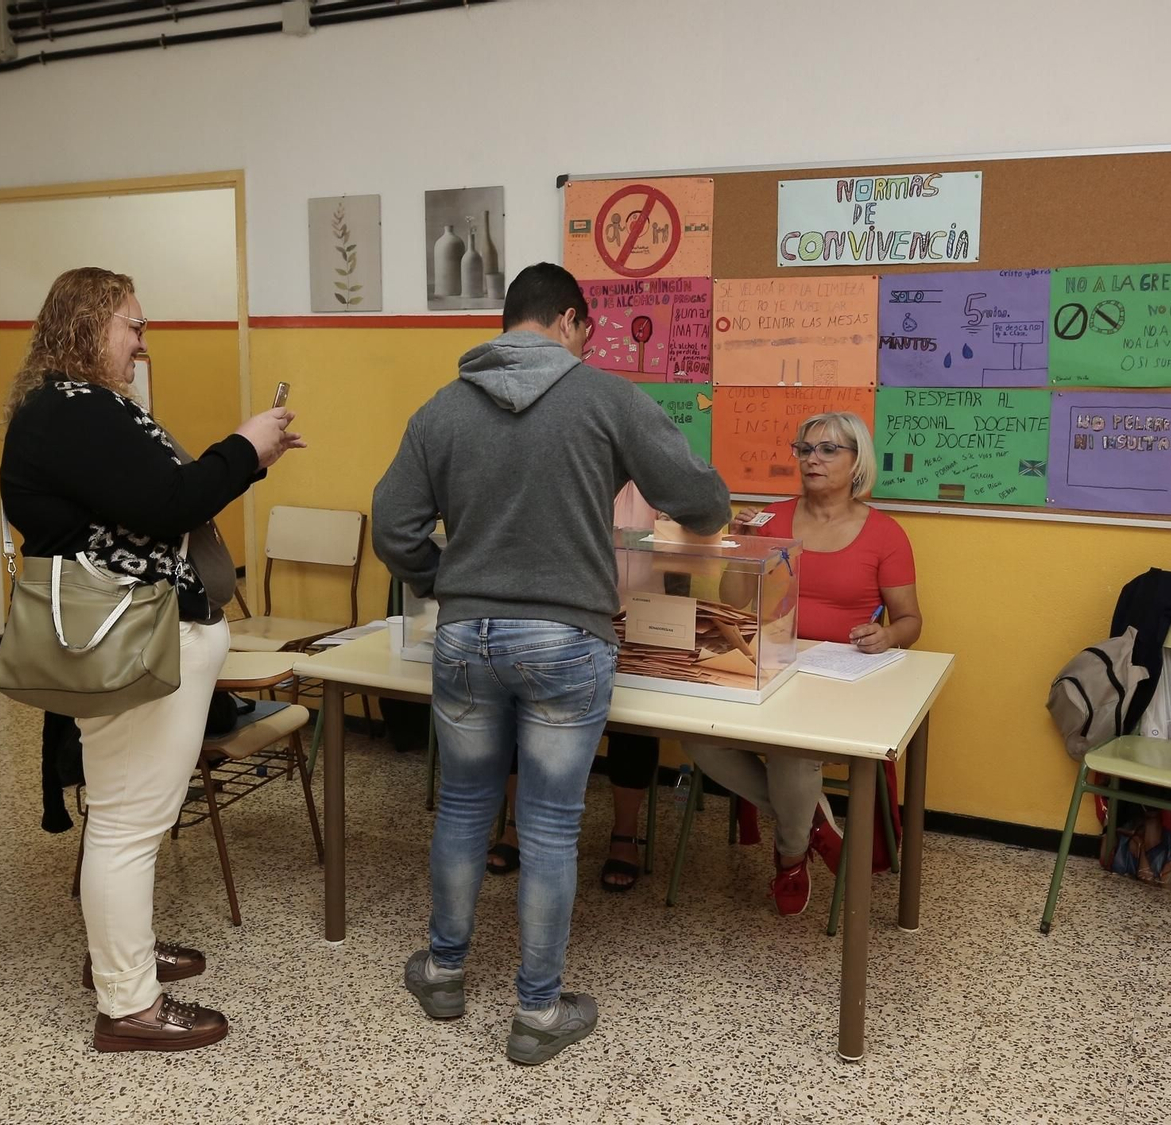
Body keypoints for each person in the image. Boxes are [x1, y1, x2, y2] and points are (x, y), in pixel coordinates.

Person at [374, 262, 729, 1066]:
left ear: (508, 322)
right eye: (585, 330)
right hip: (566, 640)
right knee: (550, 825)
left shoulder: (442, 408)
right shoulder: (607, 398)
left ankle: (442, 970)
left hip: (465, 638)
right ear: (571, 321)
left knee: (465, 807)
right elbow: (702, 503)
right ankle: (537, 1013)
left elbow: (392, 529)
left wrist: (448, 583)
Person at [0, 267, 301, 1053]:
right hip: (131, 638)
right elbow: (170, 503)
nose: (142, 339)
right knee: (132, 823)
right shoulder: (68, 411)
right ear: (87, 324)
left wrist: (245, 455)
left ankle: (119, 958)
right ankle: (128, 1003)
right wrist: (246, 447)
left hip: (140, 634)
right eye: (132, 324)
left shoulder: (78, 407)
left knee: (122, 811)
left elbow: (155, 496)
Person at [688, 411, 924, 916]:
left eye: (827, 450)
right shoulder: (769, 518)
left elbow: (910, 622)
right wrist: (740, 548)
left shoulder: (885, 534)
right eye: (805, 448)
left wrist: (885, 636)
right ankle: (814, 821)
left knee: (794, 749)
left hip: (840, 678)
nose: (811, 459)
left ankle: (791, 855)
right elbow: (735, 603)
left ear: (857, 461)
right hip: (771, 665)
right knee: (697, 734)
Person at [486, 485, 663, 893]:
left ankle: (624, 834)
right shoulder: (562, 464)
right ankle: (516, 824)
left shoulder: (648, 477)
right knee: (518, 710)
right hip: (553, 618)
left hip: (635, 623)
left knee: (632, 723)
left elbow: (699, 532)